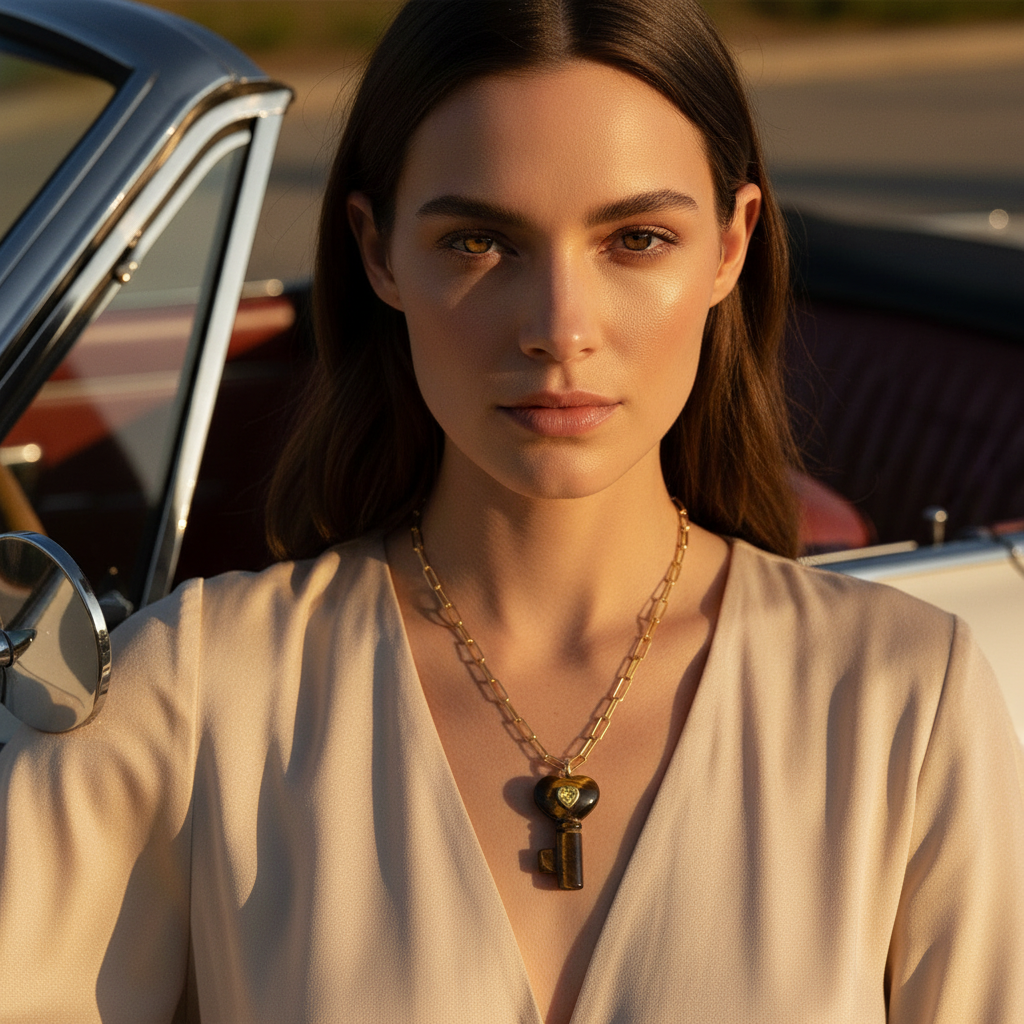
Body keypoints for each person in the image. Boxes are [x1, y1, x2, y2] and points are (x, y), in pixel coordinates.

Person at [2, 0, 1022, 1021]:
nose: (558, 327)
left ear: (728, 244)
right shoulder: (182, 698)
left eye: (635, 237)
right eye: (481, 241)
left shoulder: (904, 700)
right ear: (378, 250)